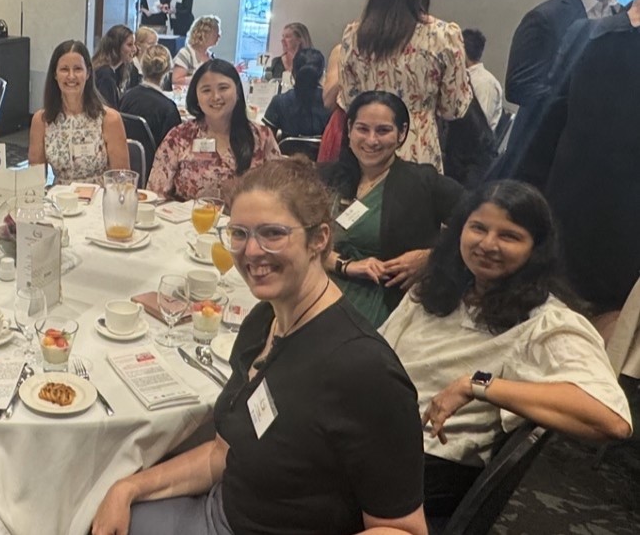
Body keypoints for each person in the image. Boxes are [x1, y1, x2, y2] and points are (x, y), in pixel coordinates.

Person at [92, 159, 428, 535]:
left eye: (272, 233)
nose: (251, 251)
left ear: (319, 239)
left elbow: (404, 529)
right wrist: (127, 489)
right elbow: (222, 455)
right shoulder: (263, 321)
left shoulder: (364, 370)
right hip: (221, 508)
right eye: (239, 233)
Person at [380, 180, 632, 522]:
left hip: (422, 472)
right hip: (374, 440)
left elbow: (611, 418)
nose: (488, 244)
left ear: (535, 249)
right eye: (478, 228)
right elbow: (378, 358)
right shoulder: (434, 291)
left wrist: (477, 384)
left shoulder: (545, 321)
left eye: (509, 236)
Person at [515, 0, 640, 335]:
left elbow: (545, 128)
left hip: (585, 231)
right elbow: (547, 128)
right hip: (574, 227)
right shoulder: (589, 35)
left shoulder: (589, 34)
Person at [320, 91, 463, 328]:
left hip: (382, 307)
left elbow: (479, 218)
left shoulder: (421, 182)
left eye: (383, 130)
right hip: (314, 292)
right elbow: (297, 239)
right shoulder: (324, 177)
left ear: (402, 133)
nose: (372, 140)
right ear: (349, 128)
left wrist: (431, 256)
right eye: (363, 129)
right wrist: (343, 265)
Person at [337, 0, 471, 171]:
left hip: (366, 147)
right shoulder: (443, 37)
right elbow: (453, 108)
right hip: (418, 147)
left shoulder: (354, 36)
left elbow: (349, 100)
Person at [148, 59, 281, 202]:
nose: (216, 97)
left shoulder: (261, 137)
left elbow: (280, 192)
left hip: (247, 216)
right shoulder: (180, 137)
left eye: (223, 88)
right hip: (190, 215)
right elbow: (155, 194)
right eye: (206, 90)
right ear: (196, 97)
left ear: (237, 92)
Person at [504, 0, 626, 111]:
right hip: (560, 123)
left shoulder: (625, 19)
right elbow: (519, 86)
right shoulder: (546, 18)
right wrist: (586, 100)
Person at [29, 40, 130, 185]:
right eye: (64, 69)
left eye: (77, 69)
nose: (71, 76)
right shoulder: (41, 120)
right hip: (59, 197)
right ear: (55, 74)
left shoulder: (110, 119)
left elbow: (122, 181)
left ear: (88, 73)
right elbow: (34, 181)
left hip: (99, 197)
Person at [119, 45, 183, 150]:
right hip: (155, 158)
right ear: (167, 70)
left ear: (142, 66)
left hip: (126, 153)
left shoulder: (126, 97)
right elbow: (175, 147)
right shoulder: (168, 108)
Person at [263, 47, 332, 140]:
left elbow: (267, 140)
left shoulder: (279, 102)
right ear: (322, 74)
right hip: (322, 150)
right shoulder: (331, 104)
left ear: (293, 72)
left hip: (287, 149)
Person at [461, 29, 503, 132]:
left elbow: (479, 126)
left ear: (462, 51)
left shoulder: (486, 83)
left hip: (469, 139)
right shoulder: (461, 76)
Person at [92, 25, 138, 106]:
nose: (134, 49)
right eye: (129, 45)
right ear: (116, 46)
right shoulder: (105, 74)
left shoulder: (115, 71)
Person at [172, 15, 220, 86]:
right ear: (204, 34)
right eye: (216, 33)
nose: (219, 36)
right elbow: (176, 80)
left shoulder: (211, 56)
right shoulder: (186, 53)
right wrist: (202, 79)